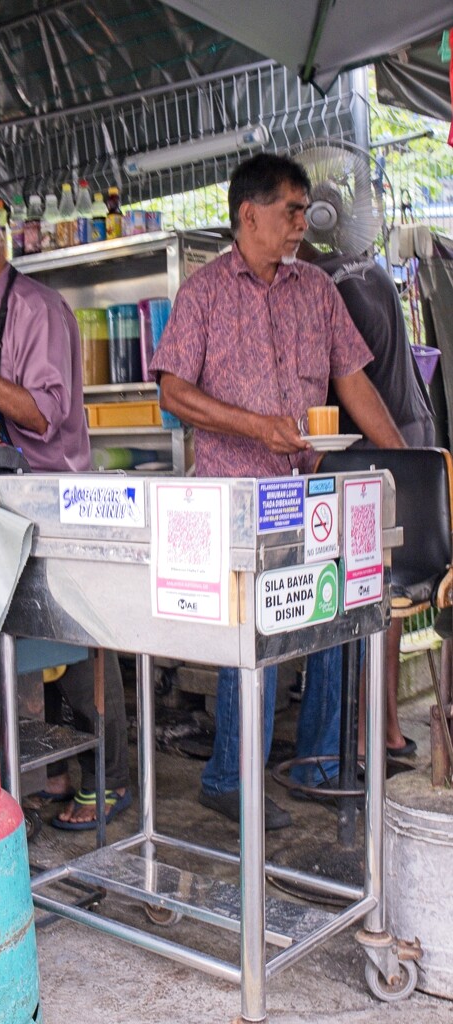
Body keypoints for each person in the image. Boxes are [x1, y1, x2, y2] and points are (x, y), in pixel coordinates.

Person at [148, 153, 404, 829]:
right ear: (248, 214)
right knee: (251, 645)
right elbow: (173, 390)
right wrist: (255, 426)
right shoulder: (204, 293)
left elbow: (353, 382)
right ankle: (229, 777)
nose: (303, 222)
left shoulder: (315, 291)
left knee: (332, 623)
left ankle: (318, 764)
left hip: (311, 492)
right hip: (237, 500)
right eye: (291, 209)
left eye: (304, 209)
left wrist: (408, 465)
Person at [0, 190, 131, 829]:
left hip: (55, 499)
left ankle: (112, 781)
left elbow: (43, 411)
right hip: (1, 503)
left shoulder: (38, 310)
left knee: (81, 641)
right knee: (32, 642)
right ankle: (64, 772)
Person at [292, 241, 436, 788]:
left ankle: (357, 737)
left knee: (364, 593)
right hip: (409, 435)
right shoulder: (370, 270)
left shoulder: (322, 286)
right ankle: (385, 731)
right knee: (389, 596)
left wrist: (393, 462)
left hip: (376, 450)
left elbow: (348, 387)